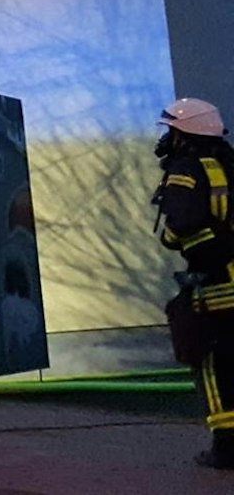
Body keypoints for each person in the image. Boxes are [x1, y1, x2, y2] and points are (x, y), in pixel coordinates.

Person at [151, 97, 234, 469]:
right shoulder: (229, 164)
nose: (168, 138)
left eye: (171, 130)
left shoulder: (186, 170)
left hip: (218, 286)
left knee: (212, 364)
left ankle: (227, 446)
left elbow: (181, 227)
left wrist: (210, 256)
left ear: (184, 134)